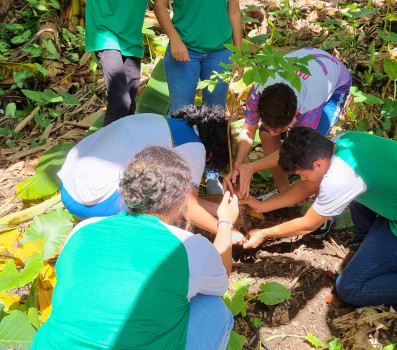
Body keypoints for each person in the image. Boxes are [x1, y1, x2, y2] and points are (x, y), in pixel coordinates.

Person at [31, 147, 239, 350]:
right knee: (213, 307)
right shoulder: (187, 246)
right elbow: (221, 276)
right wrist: (225, 222)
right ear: (182, 200)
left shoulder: (83, 229)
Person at [242, 127, 397, 306]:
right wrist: (260, 205)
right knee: (353, 194)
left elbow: (308, 224)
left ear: (317, 164)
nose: (301, 178)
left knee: (350, 287)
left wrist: (264, 233)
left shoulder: (341, 178)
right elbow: (308, 185)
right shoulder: (342, 141)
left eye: (301, 174)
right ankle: (374, 247)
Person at [57, 105, 245, 243]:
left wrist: (221, 210)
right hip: (95, 201)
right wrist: (227, 231)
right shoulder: (193, 146)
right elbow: (187, 205)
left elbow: (188, 200)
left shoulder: (160, 121)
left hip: (68, 187)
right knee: (167, 205)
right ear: (212, 152)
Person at [224, 47, 352, 201]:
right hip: (305, 64)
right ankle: (284, 193)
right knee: (265, 135)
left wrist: (251, 168)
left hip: (333, 81)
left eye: (280, 129)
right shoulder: (257, 91)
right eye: (270, 126)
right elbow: (249, 130)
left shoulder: (309, 106)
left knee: (312, 153)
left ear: (295, 115)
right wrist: (237, 167)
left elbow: (297, 148)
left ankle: (320, 203)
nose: (273, 132)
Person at [154, 0, 242, 195]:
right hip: (184, 49)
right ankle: (179, 175)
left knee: (215, 115)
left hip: (221, 51)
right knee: (180, 115)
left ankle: (212, 174)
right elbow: (160, 6)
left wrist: (238, 53)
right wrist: (174, 39)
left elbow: (234, 11)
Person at [85, 0, 148, 125]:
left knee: (129, 105)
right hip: (104, 33)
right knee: (120, 101)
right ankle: (107, 144)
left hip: (132, 38)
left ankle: (121, 143)